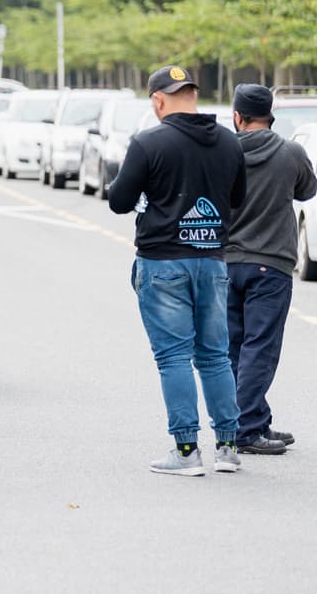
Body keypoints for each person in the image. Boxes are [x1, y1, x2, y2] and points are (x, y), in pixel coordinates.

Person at [108, 64, 247, 475]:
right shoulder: (228, 141)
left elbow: (119, 200)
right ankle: (228, 446)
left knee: (173, 358)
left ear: (158, 100)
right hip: (212, 260)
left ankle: (187, 451)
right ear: (194, 95)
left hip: (163, 261)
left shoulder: (150, 143)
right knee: (215, 356)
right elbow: (237, 197)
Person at [225, 84, 316, 454]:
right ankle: (248, 429)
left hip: (226, 263)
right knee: (259, 349)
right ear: (270, 115)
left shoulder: (223, 152)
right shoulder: (289, 152)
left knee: (231, 349)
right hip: (271, 265)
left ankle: (250, 420)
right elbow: (308, 190)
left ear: (237, 116)